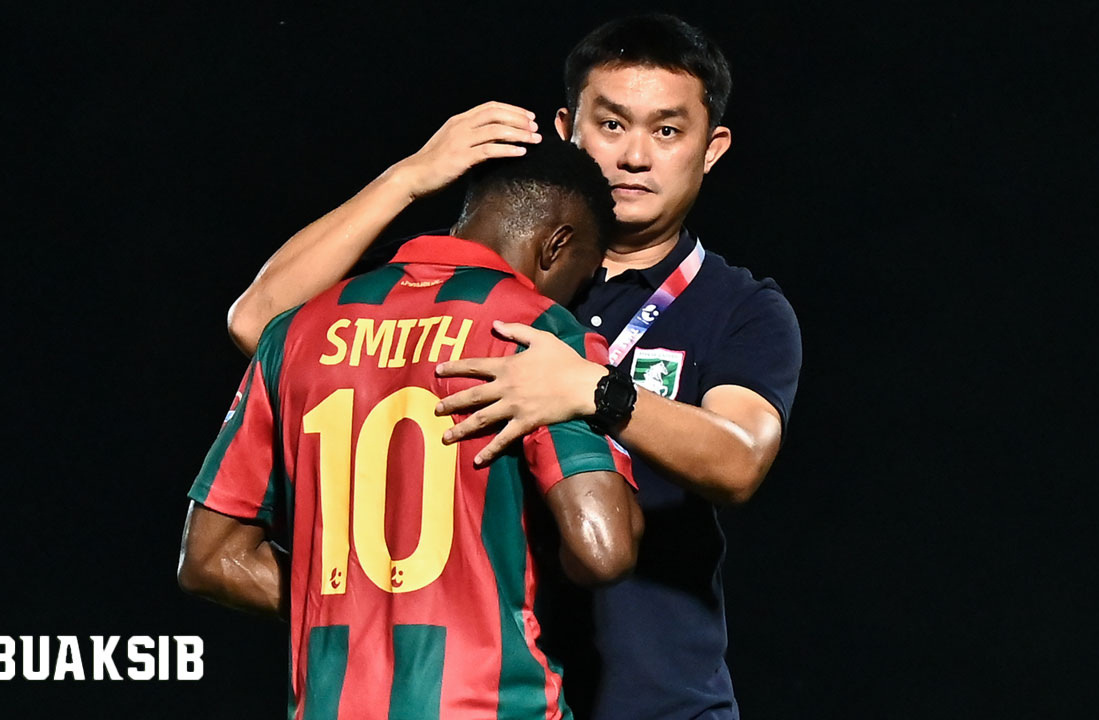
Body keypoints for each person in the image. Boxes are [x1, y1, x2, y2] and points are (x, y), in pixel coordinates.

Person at [224, 14, 801, 719]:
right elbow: (262, 322)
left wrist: (594, 391)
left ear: (712, 149)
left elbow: (740, 461)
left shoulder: (739, 307)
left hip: (663, 703)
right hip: (488, 698)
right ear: (567, 129)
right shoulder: (468, 286)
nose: (635, 156)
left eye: (667, 131)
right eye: (611, 124)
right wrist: (409, 178)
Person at [178, 139, 643, 719]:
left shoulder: (295, 332)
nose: (579, 293)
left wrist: (362, 601)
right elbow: (603, 549)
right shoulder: (540, 333)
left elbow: (209, 558)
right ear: (557, 245)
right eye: (584, 276)